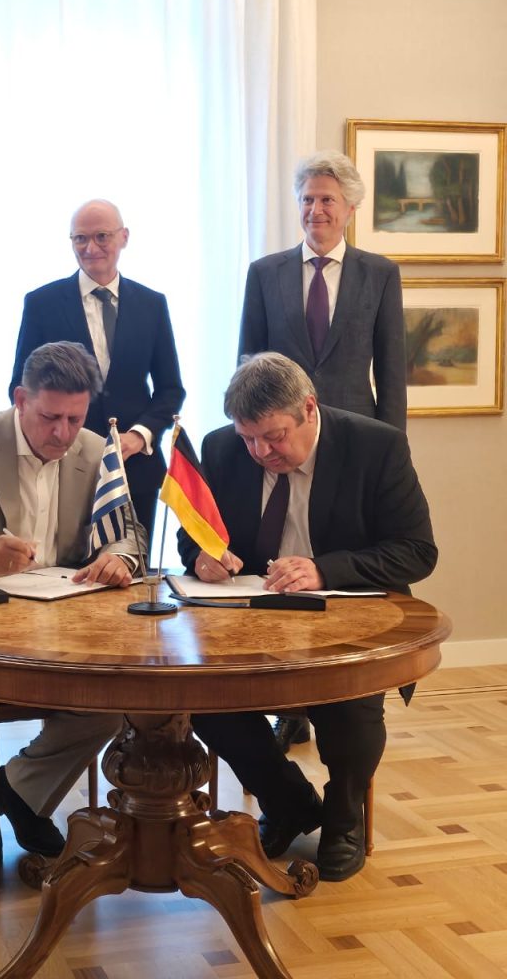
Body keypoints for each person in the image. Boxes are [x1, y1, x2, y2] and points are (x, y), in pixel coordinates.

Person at [178, 352, 436, 882]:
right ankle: (290, 804)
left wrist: (324, 569)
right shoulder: (222, 448)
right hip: (249, 621)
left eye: (273, 437)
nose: (260, 452)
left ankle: (343, 820)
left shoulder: (375, 446)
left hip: (346, 618)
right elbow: (195, 532)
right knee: (205, 704)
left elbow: (416, 551)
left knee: (350, 707)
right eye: (249, 438)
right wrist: (201, 555)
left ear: (310, 409)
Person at [0, 341, 143, 897]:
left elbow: (129, 532)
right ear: (20, 399)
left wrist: (122, 558)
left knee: (117, 700)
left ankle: (17, 791)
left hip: (60, 625)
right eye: (50, 417)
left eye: (75, 419)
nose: (63, 434)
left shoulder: (96, 451)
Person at [238, 150, 408, 752]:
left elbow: (392, 370)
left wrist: (394, 450)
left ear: (350, 208)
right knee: (281, 560)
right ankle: (285, 700)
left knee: (333, 566)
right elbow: (248, 362)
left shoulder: (379, 274)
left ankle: (338, 689)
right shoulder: (266, 272)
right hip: (284, 442)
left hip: (351, 445)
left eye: (327, 199)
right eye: (307, 199)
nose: (315, 209)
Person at [8, 199, 185, 547]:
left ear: (124, 237)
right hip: (63, 464)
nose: (91, 248)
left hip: (134, 468)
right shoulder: (42, 303)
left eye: (102, 236)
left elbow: (170, 389)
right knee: (67, 565)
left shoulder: (152, 304)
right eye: (80, 238)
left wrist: (139, 436)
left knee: (130, 567)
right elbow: (21, 386)